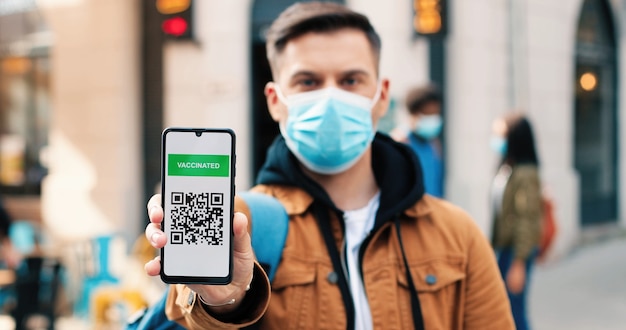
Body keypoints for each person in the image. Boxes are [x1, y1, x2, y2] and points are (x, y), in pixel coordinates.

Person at [144, 2, 515, 329]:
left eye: (351, 80)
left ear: (381, 96)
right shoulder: (241, 224)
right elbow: (189, 316)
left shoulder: (458, 235)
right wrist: (227, 301)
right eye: (308, 81)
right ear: (276, 101)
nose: (331, 96)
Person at [490, 113, 542, 330]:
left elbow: (525, 219)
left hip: (515, 251)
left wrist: (519, 262)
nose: (496, 140)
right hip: (503, 249)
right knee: (503, 309)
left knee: (514, 312)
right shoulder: (507, 168)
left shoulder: (526, 173)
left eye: (500, 135)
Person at [392, 84, 444, 197]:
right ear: (414, 114)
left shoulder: (434, 144)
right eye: (428, 114)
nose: (433, 119)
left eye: (436, 114)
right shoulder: (400, 142)